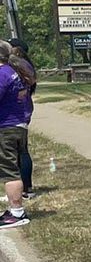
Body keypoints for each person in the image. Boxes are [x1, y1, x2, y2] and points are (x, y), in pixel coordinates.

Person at [0, 42, 34, 229]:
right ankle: (14, 210)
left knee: (9, 170)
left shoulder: (2, 74)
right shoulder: (16, 71)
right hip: (18, 124)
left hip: (6, 127)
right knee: (12, 166)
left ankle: (17, 213)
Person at [7, 39, 35, 197]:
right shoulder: (26, 67)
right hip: (23, 111)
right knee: (21, 150)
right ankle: (25, 188)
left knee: (19, 152)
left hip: (16, 113)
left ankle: (22, 188)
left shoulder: (17, 67)